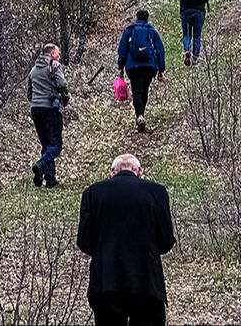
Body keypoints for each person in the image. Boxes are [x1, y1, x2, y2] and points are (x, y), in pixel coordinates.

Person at [77, 154, 176, 326]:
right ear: (139, 172)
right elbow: (166, 241)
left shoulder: (92, 193)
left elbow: (84, 241)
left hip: (106, 280)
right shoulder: (157, 192)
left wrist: (103, 253)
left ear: (112, 172)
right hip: (147, 281)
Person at [27, 43, 69, 188]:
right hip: (51, 108)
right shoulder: (54, 66)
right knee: (55, 144)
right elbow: (62, 84)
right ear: (51, 54)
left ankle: (50, 179)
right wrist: (64, 97)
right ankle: (41, 165)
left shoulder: (33, 70)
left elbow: (29, 94)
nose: (59, 56)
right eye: (57, 53)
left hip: (35, 109)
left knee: (46, 144)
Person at [118, 10, 166, 132]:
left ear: (136, 18)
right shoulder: (152, 32)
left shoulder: (129, 31)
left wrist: (121, 67)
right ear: (147, 19)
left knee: (137, 91)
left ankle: (139, 115)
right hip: (149, 67)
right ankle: (141, 115)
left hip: (133, 66)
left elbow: (122, 50)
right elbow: (160, 51)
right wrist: (161, 69)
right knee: (144, 90)